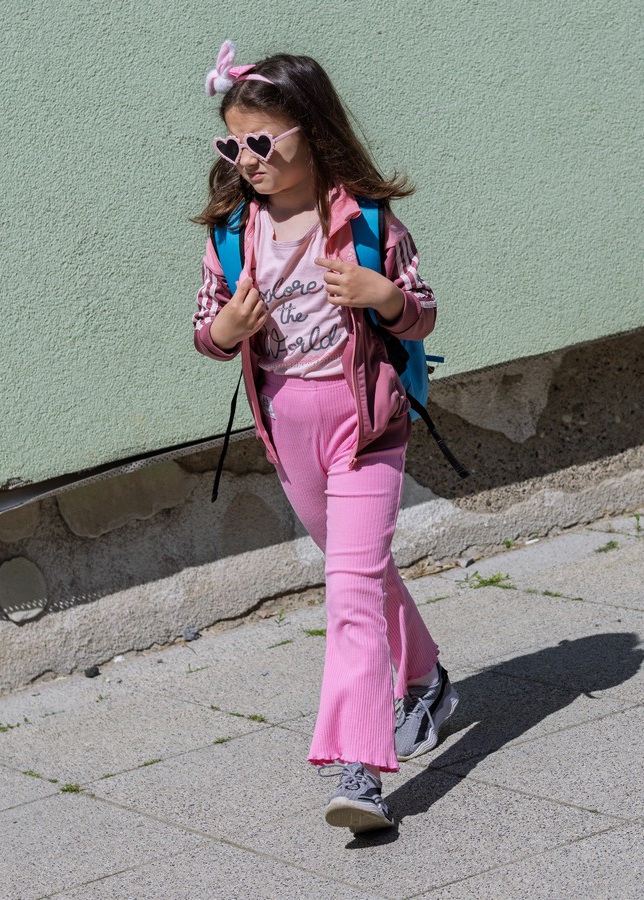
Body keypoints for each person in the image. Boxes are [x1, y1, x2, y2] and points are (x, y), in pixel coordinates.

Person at [193, 40, 459, 834]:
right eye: (231, 146)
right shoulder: (233, 233)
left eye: (261, 141)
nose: (246, 159)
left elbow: (420, 312)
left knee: (347, 590)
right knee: (362, 573)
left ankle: (358, 770)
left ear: (310, 132)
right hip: (289, 427)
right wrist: (225, 329)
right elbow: (205, 330)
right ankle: (427, 680)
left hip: (366, 425)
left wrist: (383, 296)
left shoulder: (366, 223)